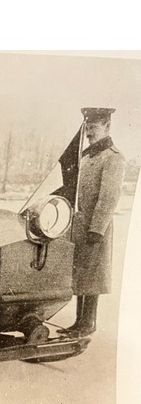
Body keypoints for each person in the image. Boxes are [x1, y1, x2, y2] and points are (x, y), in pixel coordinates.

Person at [58, 107, 125, 337]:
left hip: (97, 227)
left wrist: (96, 231)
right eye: (87, 127)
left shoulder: (113, 158)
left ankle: (89, 323)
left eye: (94, 127)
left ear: (107, 127)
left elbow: (108, 198)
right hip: (80, 225)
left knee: (92, 276)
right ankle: (79, 322)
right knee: (81, 274)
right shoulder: (86, 156)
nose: (89, 133)